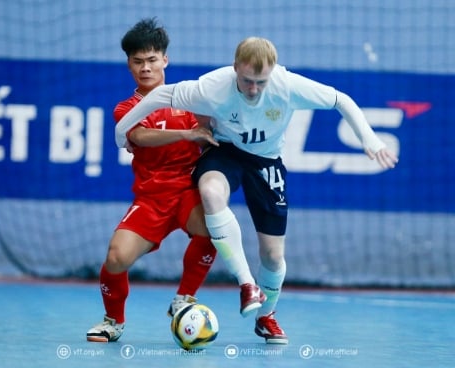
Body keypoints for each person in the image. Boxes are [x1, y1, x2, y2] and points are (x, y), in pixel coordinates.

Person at [114, 37, 399, 345]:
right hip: (226, 153)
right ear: (235, 68)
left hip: (266, 162)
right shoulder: (212, 86)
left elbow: (341, 99)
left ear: (272, 72)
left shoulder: (288, 85)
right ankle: (247, 283)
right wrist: (121, 134)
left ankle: (266, 317)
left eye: (260, 82)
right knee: (210, 192)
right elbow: (159, 97)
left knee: (274, 256)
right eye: (247, 80)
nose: (253, 89)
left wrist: (371, 141)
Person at [86, 18, 218, 343]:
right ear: (129, 65)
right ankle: (112, 321)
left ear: (165, 60)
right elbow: (141, 136)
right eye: (137, 61)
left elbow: (214, 133)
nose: (145, 67)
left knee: (214, 227)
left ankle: (183, 298)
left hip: (188, 191)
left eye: (151, 59)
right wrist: (188, 134)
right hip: (151, 199)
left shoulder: (190, 99)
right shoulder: (127, 108)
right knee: (116, 258)